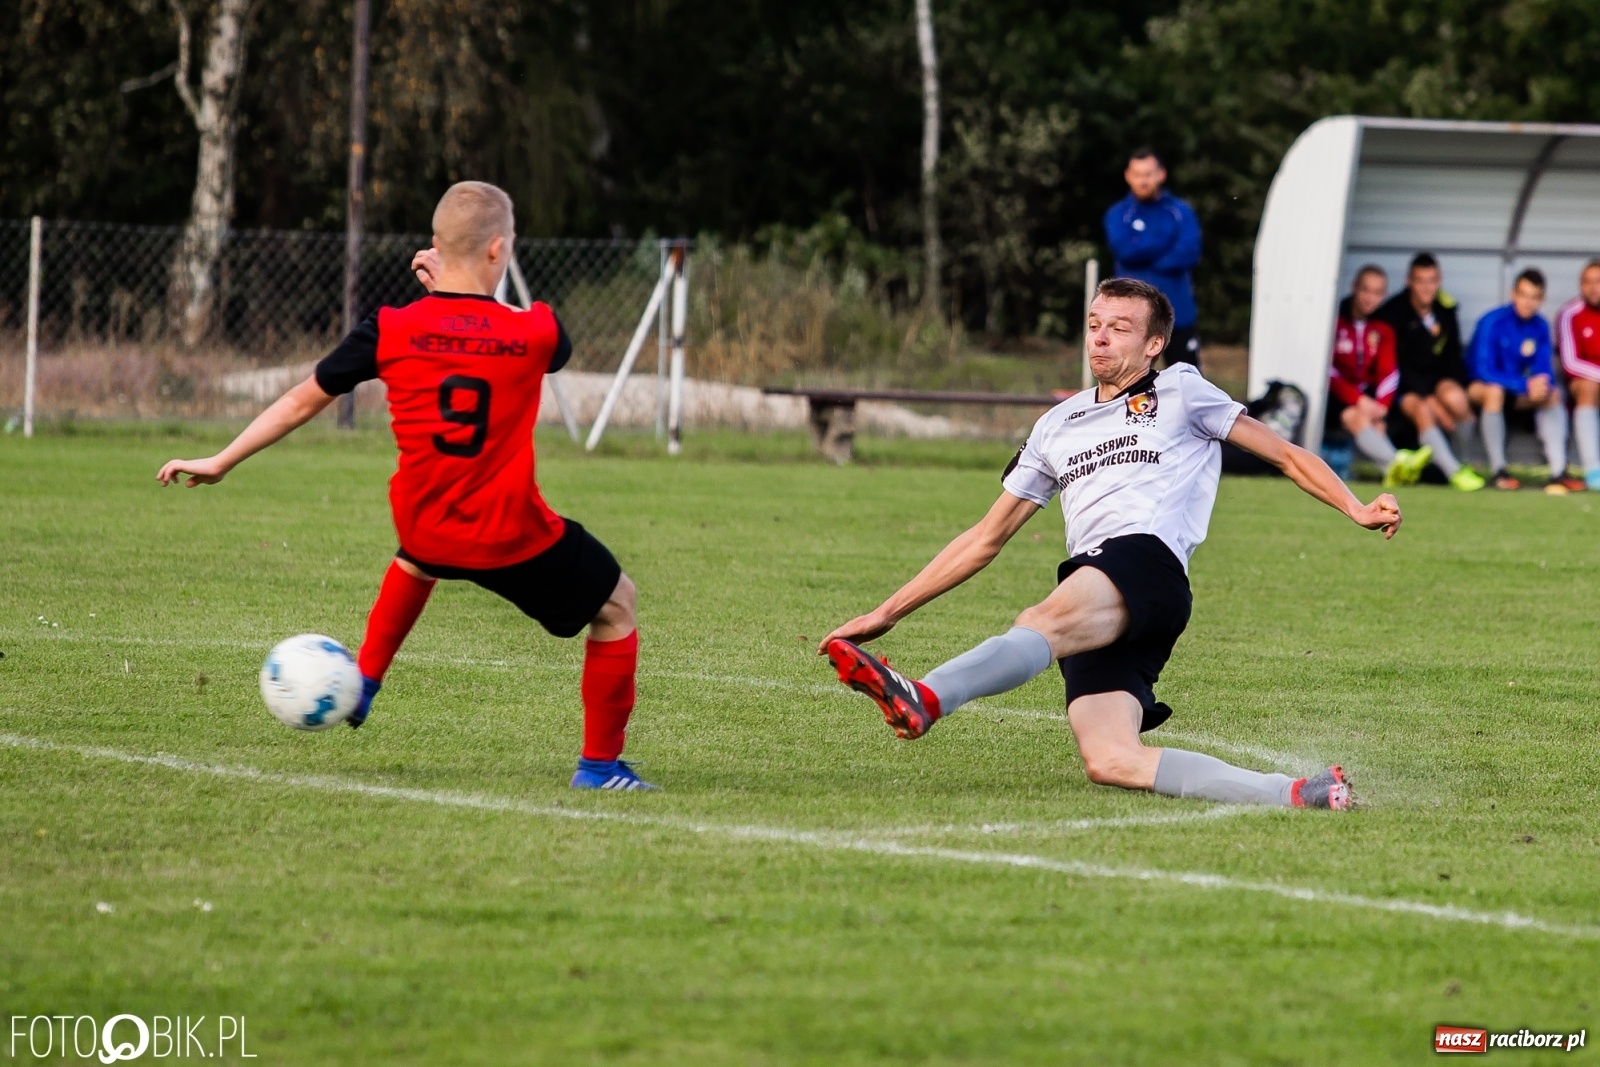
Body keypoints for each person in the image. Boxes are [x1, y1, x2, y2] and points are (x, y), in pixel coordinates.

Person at [819, 277, 1404, 811]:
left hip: (1146, 561)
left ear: (1154, 345)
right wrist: (887, 612)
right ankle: (1299, 792)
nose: (1100, 338)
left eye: (1120, 328)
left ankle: (926, 696)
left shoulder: (1181, 390)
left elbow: (1286, 454)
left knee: (1039, 621)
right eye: (1094, 324)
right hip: (1105, 586)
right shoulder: (1057, 424)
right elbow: (984, 538)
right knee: (1111, 760)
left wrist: (1355, 507)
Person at [157, 181, 654, 791]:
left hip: (425, 525)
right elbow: (529, 342)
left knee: (420, 555)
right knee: (616, 603)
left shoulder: (390, 327)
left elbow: (300, 400)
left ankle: (364, 680)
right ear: (498, 249)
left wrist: (223, 459)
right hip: (504, 534)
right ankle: (600, 768)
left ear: (436, 248)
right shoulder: (538, 331)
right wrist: (462, 300)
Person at [1375, 253, 1483, 491]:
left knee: (1457, 399)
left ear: (1439, 281)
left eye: (1431, 281)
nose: (1426, 287)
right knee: (1422, 408)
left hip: (1433, 384)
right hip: (1402, 389)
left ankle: (1462, 461)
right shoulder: (1393, 313)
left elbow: (1453, 359)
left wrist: (1445, 393)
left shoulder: (1446, 309)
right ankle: (1454, 472)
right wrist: (1430, 400)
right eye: (1420, 281)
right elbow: (1397, 367)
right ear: (1409, 282)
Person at [1327, 265, 1440, 488]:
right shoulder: (1335, 319)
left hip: (1367, 398)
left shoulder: (1384, 326)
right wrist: (1358, 400)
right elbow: (1329, 371)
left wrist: (1381, 406)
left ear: (1384, 295)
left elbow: (1389, 372)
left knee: (1376, 422)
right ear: (1354, 288)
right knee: (1356, 416)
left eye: (1377, 293)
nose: (1370, 298)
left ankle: (1394, 472)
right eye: (1366, 290)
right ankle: (1399, 463)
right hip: (1335, 397)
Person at [1466, 268, 1577, 493]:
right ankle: (1499, 470)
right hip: (1480, 391)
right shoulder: (1492, 321)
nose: (1528, 302)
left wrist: (1541, 385)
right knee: (1494, 391)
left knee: (1553, 394)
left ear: (1542, 299)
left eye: (1534, 297)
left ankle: (1558, 472)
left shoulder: (1540, 326)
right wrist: (1525, 384)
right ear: (1513, 294)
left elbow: (1544, 369)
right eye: (1523, 295)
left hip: (1518, 394)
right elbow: (1483, 370)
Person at [1104, 148, 1202, 368]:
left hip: (1177, 313)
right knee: (1126, 379)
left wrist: (1144, 253)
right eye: (1138, 175)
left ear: (1161, 174)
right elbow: (1124, 250)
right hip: (1130, 316)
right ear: (1128, 176)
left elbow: (1188, 253)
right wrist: (1165, 241)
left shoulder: (1180, 212)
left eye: (1148, 174)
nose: (1143, 181)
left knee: (1188, 379)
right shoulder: (1118, 214)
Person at [1556, 260, 1600, 490]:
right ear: (1580, 285)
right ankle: (1593, 471)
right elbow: (1570, 363)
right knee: (1589, 386)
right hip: (1581, 383)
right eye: (1588, 282)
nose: (1593, 288)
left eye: (1598, 282)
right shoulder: (1569, 313)